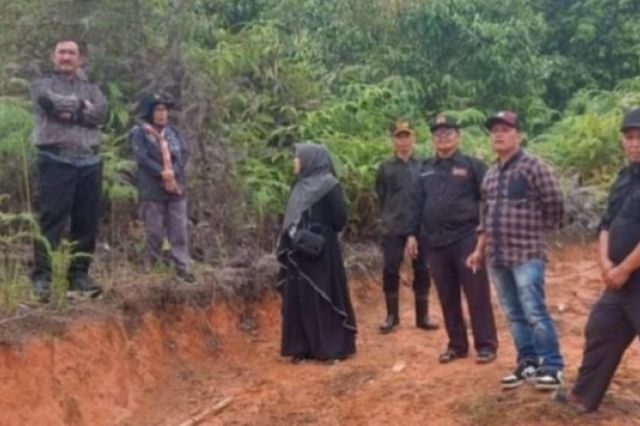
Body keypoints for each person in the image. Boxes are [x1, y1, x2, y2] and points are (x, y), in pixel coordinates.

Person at [467, 111, 565, 391]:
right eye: (494, 130)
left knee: (534, 310)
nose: (498, 134)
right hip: (497, 256)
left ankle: (552, 366)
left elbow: (555, 205)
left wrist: (534, 233)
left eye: (505, 129)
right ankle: (527, 361)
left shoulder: (534, 167)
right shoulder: (491, 174)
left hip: (526, 254)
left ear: (518, 134)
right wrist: (478, 250)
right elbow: (485, 218)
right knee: (512, 312)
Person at [554, 108, 640, 412]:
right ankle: (583, 395)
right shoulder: (623, 178)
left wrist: (624, 268)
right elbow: (606, 223)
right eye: (630, 137)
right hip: (618, 282)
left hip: (633, 278)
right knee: (601, 329)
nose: (635, 143)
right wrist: (606, 264)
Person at [407, 114, 498, 364]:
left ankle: (486, 345)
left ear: (458, 136)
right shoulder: (424, 168)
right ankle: (457, 345)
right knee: (447, 296)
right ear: (432, 139)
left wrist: (485, 233)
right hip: (434, 243)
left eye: (448, 132)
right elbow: (416, 204)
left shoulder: (473, 166)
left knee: (476, 293)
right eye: (438, 133)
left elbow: (490, 200)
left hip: (466, 241)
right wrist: (412, 234)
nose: (442, 137)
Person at [29, 38, 108, 301]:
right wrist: (82, 108)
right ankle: (42, 278)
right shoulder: (42, 84)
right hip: (56, 159)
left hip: (90, 162)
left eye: (71, 53)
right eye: (61, 52)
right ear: (53, 57)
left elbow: (102, 114)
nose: (66, 57)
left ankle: (79, 276)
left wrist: (71, 112)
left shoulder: (93, 88)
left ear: (80, 58)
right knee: (51, 221)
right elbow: (48, 103)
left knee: (86, 222)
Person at [276, 142, 357, 363]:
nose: (295, 161)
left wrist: (317, 230)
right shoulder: (298, 185)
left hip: (323, 252)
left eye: (298, 157)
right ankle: (302, 347)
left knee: (325, 296)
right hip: (299, 251)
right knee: (300, 297)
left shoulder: (330, 184)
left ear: (310, 159)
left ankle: (331, 348)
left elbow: (339, 219)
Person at [375, 119, 439, 334]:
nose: (403, 141)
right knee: (390, 268)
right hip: (393, 226)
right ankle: (391, 316)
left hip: (420, 226)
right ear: (393, 140)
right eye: (399, 137)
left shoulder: (423, 166)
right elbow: (382, 196)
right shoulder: (385, 168)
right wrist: (387, 217)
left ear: (413, 138)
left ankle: (423, 316)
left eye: (407, 136)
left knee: (422, 269)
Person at [130, 93, 194, 283]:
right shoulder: (139, 133)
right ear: (149, 112)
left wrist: (172, 172)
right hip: (152, 188)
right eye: (157, 110)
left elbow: (184, 154)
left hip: (176, 186)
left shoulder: (173, 132)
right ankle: (149, 267)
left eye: (164, 109)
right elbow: (142, 159)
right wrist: (161, 173)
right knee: (155, 231)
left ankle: (182, 267)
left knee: (178, 230)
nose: (162, 114)